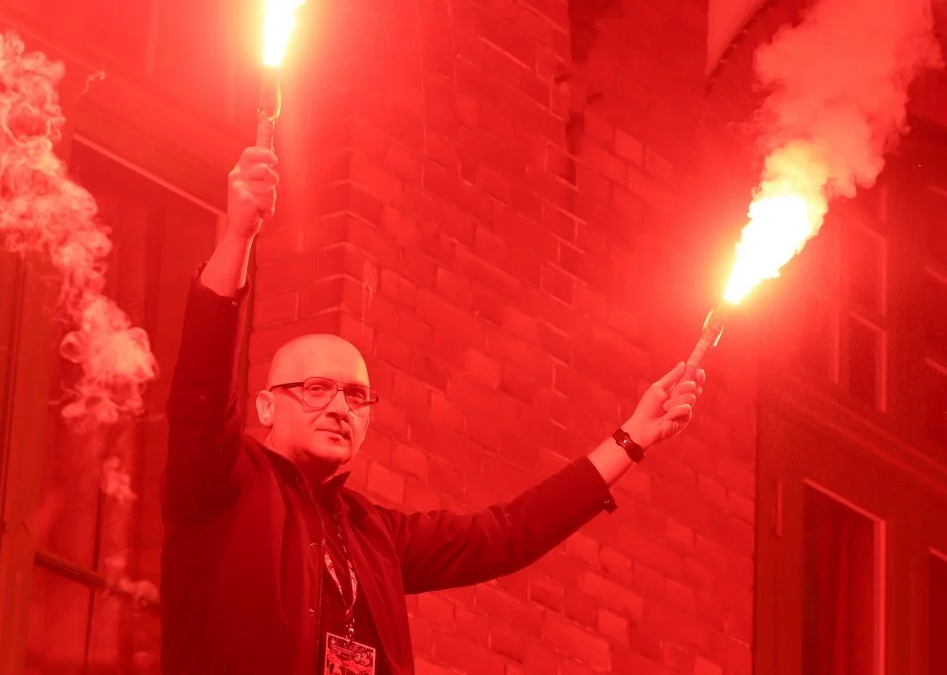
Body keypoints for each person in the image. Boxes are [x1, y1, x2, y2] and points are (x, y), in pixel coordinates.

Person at [159, 146, 706, 675]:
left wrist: (633, 436)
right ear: (266, 405)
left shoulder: (373, 534)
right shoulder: (221, 486)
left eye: (355, 396)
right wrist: (239, 235)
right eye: (317, 388)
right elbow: (202, 388)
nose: (339, 408)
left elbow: (506, 535)